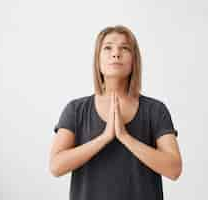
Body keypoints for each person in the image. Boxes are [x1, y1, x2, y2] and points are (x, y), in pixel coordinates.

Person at [49, 25, 182, 200]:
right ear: (97, 59)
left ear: (134, 60)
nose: (116, 53)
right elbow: (56, 166)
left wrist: (125, 137)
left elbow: (174, 169)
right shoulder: (75, 109)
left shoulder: (155, 110)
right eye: (108, 47)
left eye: (124, 48)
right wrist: (104, 137)